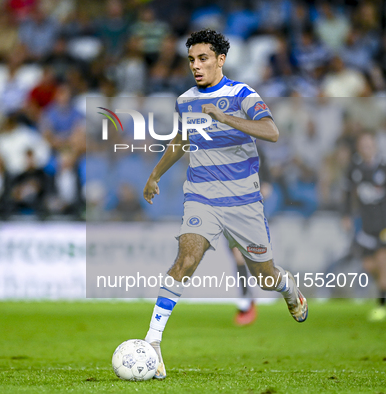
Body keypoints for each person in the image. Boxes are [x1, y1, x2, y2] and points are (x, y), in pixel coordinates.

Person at [141, 29, 308, 380]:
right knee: (186, 259)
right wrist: (155, 174)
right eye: (191, 60)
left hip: (244, 201)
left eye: (203, 59)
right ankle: (152, 343)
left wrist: (224, 117)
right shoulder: (186, 100)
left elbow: (271, 131)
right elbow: (181, 139)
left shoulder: (242, 94)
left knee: (263, 277)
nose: (196, 66)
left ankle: (287, 287)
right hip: (201, 196)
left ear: (220, 60)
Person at [342, 132, 386, 322]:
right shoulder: (355, 169)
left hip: (384, 225)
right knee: (369, 265)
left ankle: (382, 306)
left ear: (374, 146)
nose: (366, 148)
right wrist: (346, 215)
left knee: (383, 263)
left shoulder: (383, 167)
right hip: (366, 227)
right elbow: (346, 193)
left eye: (369, 144)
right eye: (363, 145)